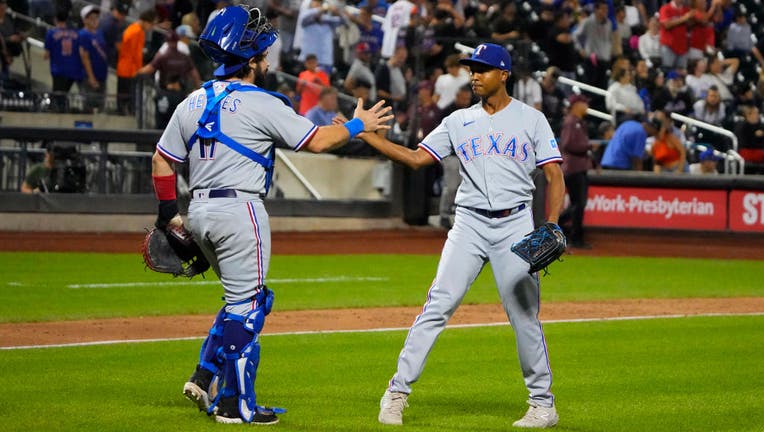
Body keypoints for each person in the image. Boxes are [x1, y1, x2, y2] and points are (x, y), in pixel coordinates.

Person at [151, 5, 392, 425]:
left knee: (236, 301)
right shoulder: (261, 102)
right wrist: (358, 125)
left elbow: (161, 160)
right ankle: (235, 405)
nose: (266, 61)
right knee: (250, 306)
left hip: (199, 211)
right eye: (263, 56)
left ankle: (203, 374)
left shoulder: (192, 101)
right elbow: (316, 141)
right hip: (240, 210)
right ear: (251, 59)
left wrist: (168, 214)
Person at [360, 43, 564, 428]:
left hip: (515, 225)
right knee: (438, 305)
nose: (474, 75)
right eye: (472, 68)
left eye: (482, 69)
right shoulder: (457, 121)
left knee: (524, 315)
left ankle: (543, 404)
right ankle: (397, 392)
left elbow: (554, 175)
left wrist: (551, 223)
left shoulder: (532, 120)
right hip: (468, 223)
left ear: (504, 74)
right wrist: (368, 137)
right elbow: (418, 159)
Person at [559, 94, 595, 249]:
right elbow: (566, 144)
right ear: (576, 105)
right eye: (584, 104)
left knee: (578, 204)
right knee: (578, 204)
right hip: (573, 168)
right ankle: (574, 237)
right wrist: (587, 147)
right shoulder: (571, 122)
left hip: (578, 167)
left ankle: (558, 226)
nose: (586, 107)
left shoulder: (578, 122)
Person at [116, 8, 157, 115]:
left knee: (123, 96)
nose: (151, 27)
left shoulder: (133, 28)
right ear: (146, 21)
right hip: (130, 69)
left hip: (124, 67)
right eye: (151, 24)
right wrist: (139, 70)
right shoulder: (137, 32)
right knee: (128, 97)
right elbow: (136, 54)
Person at [44, 9, 82, 112]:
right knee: (64, 94)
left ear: (55, 19)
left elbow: (46, 55)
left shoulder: (51, 33)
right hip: (73, 70)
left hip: (58, 70)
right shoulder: (76, 33)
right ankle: (64, 111)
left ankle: (58, 116)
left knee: (58, 96)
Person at [78, 4, 108, 113]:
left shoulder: (99, 33)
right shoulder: (83, 34)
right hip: (89, 77)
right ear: (84, 20)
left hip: (102, 75)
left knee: (101, 106)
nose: (95, 20)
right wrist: (91, 77)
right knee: (89, 106)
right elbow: (84, 57)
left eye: (96, 17)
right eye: (91, 18)